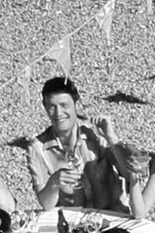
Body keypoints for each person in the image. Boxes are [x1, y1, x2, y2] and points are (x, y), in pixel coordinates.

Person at [26, 76, 135, 213]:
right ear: (45, 107)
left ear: (75, 103)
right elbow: (46, 204)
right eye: (52, 107)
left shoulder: (97, 132)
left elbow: (130, 175)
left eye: (64, 105)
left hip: (112, 216)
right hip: (73, 222)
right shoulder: (38, 148)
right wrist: (53, 183)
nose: (58, 113)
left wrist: (112, 138)